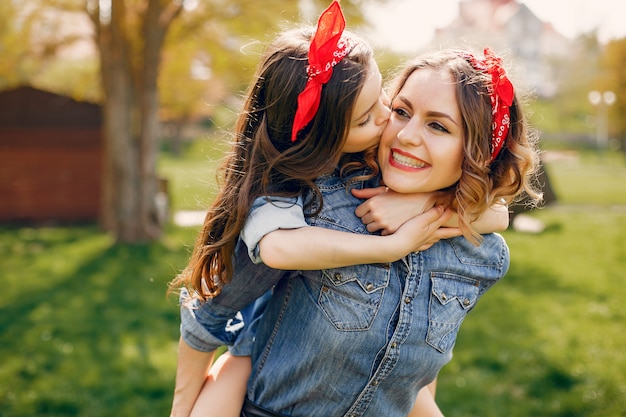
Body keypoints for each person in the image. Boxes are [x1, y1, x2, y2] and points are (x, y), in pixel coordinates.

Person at [169, 2, 538, 417]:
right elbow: (214, 309)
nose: (403, 134)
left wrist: (429, 205)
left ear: (479, 151)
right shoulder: (312, 205)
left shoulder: (481, 255)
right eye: (401, 111)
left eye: (438, 126)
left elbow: (410, 373)